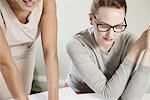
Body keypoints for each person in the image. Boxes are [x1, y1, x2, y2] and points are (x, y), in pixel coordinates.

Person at [66, 0, 150, 100]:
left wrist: (148, 51)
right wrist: (137, 48)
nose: (110, 34)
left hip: (112, 92)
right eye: (104, 25)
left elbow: (129, 98)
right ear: (91, 18)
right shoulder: (76, 44)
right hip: (78, 94)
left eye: (118, 26)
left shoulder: (127, 40)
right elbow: (109, 95)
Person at [0, 0, 59, 100]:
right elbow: (5, 64)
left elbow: (50, 52)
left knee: (24, 94)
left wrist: (54, 97)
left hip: (26, 52)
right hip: (3, 60)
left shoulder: (47, 2)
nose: (31, 0)